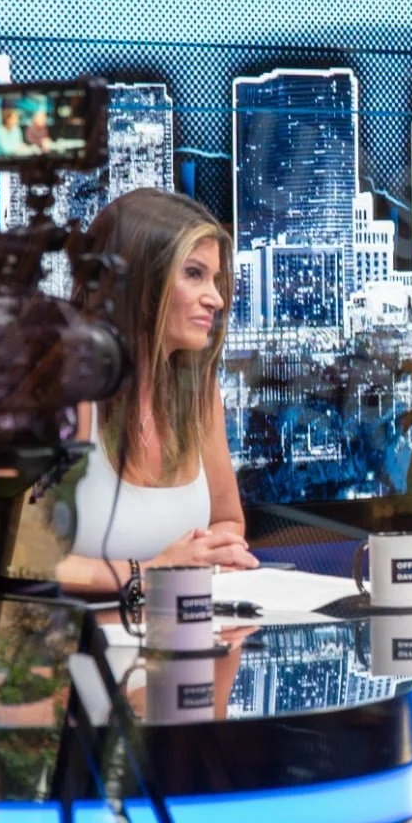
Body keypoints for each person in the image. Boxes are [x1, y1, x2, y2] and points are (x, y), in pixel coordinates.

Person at [55, 189, 259, 594]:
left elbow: (226, 521)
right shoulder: (65, 387)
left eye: (216, 279)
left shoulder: (198, 389)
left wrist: (219, 553)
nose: (216, 299)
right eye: (194, 274)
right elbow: (19, 560)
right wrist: (149, 573)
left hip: (186, 635)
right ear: (137, 279)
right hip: (76, 645)